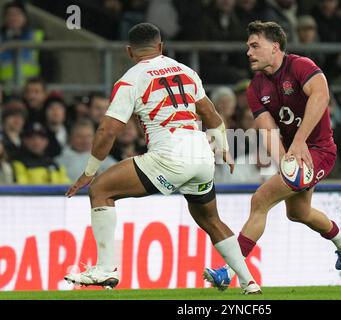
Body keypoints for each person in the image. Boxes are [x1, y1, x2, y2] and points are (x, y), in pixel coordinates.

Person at [63, 23, 261, 294]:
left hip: (170, 156)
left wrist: (90, 170)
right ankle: (249, 282)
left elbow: (108, 129)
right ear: (160, 47)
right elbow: (212, 115)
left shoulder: (131, 79)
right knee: (211, 220)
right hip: (202, 155)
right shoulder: (186, 71)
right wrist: (224, 148)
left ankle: (106, 269)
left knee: (100, 189)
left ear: (130, 51)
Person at [204, 21, 341, 290]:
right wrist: (286, 162)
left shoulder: (301, 66)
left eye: (255, 46)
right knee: (299, 212)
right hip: (295, 154)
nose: (249, 52)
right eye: (248, 47)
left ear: (275, 46)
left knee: (261, 199)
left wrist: (299, 142)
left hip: (320, 151)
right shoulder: (255, 88)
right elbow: (267, 132)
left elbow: (321, 96)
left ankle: (229, 272)